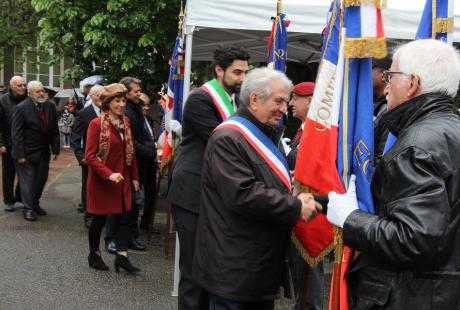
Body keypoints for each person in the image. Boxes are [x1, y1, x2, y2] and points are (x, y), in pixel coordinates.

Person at [326, 39, 460, 308]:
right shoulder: (449, 130)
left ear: (411, 84)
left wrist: (351, 219)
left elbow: (413, 240)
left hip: (412, 295)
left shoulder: (415, 146)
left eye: (391, 76)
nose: (386, 87)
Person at [193, 68, 322, 309]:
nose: (285, 108)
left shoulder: (262, 133)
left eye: (286, 101)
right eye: (279, 101)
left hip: (255, 266)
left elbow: (259, 180)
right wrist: (295, 205)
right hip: (234, 269)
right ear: (254, 99)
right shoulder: (229, 138)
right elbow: (242, 193)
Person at [167, 46, 250, 310]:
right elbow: (225, 142)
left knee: (210, 268)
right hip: (192, 191)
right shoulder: (201, 99)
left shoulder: (235, 100)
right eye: (237, 72)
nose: (242, 79)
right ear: (219, 70)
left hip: (213, 193)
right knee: (193, 270)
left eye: (246, 73)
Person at [84, 83, 140, 273]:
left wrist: (134, 177)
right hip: (102, 181)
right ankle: (94, 254)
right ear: (107, 103)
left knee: (125, 217)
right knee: (99, 220)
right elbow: (90, 157)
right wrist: (109, 174)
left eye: (124, 100)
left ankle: (122, 256)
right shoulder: (96, 124)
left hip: (122, 180)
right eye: (117, 100)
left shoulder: (126, 123)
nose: (122, 104)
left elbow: (130, 153)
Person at [286, 82, 324, 310]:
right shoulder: (303, 129)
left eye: (295, 98)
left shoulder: (318, 131)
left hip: (311, 213)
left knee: (310, 273)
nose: (290, 103)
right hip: (299, 207)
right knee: (301, 274)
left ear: (311, 100)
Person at [11, 81, 60, 221]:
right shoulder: (21, 108)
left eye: (42, 91)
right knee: (28, 181)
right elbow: (16, 133)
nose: (41, 93)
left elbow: (54, 129)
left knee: (41, 179)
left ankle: (35, 203)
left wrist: (55, 148)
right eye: (37, 91)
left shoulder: (49, 106)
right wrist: (20, 154)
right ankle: (28, 209)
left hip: (43, 152)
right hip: (26, 152)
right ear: (30, 93)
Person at [120, 77, 156, 249]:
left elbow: (143, 135)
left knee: (136, 202)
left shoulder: (136, 108)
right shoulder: (127, 112)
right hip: (135, 163)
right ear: (126, 93)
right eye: (136, 91)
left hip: (142, 162)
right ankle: (128, 238)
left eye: (139, 90)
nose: (139, 94)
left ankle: (131, 236)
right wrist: (149, 150)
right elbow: (131, 141)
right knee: (132, 203)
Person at [71, 84, 104, 226]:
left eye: (103, 95)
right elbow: (75, 138)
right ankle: (89, 215)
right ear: (91, 96)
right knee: (89, 187)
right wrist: (81, 157)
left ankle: (102, 213)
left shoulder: (109, 111)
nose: (101, 98)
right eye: (98, 95)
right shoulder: (84, 114)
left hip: (106, 157)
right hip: (89, 158)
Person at [0, 76, 26, 212]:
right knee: (8, 173)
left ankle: (20, 196)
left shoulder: (28, 98)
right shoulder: (3, 100)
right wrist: (1, 143)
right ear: (11, 87)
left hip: (25, 143)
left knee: (25, 172)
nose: (23, 88)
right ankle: (9, 200)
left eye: (24, 85)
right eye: (19, 85)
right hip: (8, 143)